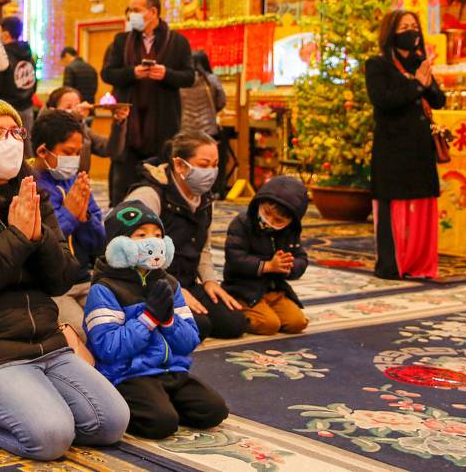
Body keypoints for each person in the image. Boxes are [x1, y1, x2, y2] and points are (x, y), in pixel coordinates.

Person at [0, 92, 128, 461]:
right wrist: (16, 238)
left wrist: (38, 237)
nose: (10, 141)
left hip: (43, 345)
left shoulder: (31, 193)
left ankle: (26, 400)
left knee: (111, 421)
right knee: (51, 437)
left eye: (15, 132)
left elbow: (61, 279)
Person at [84, 200, 228, 440]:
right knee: (162, 423)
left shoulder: (169, 284)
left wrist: (169, 320)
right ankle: (131, 404)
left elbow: (190, 340)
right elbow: (108, 348)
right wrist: (148, 320)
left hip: (171, 369)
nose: (152, 241)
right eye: (141, 235)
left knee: (214, 410)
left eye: (158, 235)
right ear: (119, 244)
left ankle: (163, 402)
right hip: (129, 375)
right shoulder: (105, 288)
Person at [124, 131, 248, 340]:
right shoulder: (150, 195)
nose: (211, 172)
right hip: (148, 284)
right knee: (198, 327)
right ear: (180, 165)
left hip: (186, 281)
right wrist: (172, 288)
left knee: (234, 323)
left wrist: (209, 281)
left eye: (215, 165)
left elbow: (204, 248)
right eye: (204, 164)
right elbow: (129, 254)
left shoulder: (205, 198)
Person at [365, 9, 446, 280]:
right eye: (404, 27)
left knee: (422, 203)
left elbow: (438, 100)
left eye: (414, 26)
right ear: (391, 33)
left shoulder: (418, 63)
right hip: (392, 148)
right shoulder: (377, 65)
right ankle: (393, 265)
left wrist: (427, 84)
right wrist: (416, 87)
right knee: (395, 205)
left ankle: (421, 264)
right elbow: (383, 100)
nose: (411, 32)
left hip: (420, 148)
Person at [102, 0, 195, 201]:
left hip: (163, 122)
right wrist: (131, 73)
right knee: (123, 181)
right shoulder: (121, 40)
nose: (130, 15)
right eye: (129, 10)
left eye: (136, 10)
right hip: (128, 123)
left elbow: (189, 76)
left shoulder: (178, 42)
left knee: (161, 180)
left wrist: (166, 74)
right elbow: (107, 73)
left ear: (153, 12)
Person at [31, 109, 107, 338]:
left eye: (77, 152)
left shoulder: (75, 181)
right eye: (67, 152)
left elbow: (99, 242)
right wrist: (70, 215)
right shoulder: (29, 184)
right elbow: (39, 243)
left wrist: (85, 219)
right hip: (50, 287)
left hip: (84, 278)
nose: (74, 159)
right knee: (85, 334)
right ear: (43, 151)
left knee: (116, 322)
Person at [222, 176, 310, 335]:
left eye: (278, 220)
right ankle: (239, 314)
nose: (269, 221)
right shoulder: (242, 223)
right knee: (269, 325)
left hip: (275, 290)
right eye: (267, 213)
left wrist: (288, 266)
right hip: (244, 289)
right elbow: (235, 257)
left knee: (297, 323)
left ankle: (266, 310)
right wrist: (267, 266)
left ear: (291, 222)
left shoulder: (290, 231)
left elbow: (301, 258)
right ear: (260, 202)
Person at [45, 85, 128, 183]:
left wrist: (119, 123)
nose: (75, 110)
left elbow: (111, 150)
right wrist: (73, 117)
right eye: (68, 107)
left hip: (80, 183)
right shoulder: (46, 128)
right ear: (52, 110)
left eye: (77, 105)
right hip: (52, 183)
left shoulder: (83, 128)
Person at [180, 50, 232, 195]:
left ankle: (187, 187)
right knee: (213, 160)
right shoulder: (211, 79)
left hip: (186, 128)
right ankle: (214, 190)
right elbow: (221, 101)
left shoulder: (183, 81)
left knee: (189, 158)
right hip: (208, 129)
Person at [0, 16, 37, 156]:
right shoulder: (29, 53)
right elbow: (33, 83)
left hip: (7, 111)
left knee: (8, 147)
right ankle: (29, 175)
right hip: (27, 109)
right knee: (25, 145)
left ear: (5, 34)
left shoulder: (2, 55)